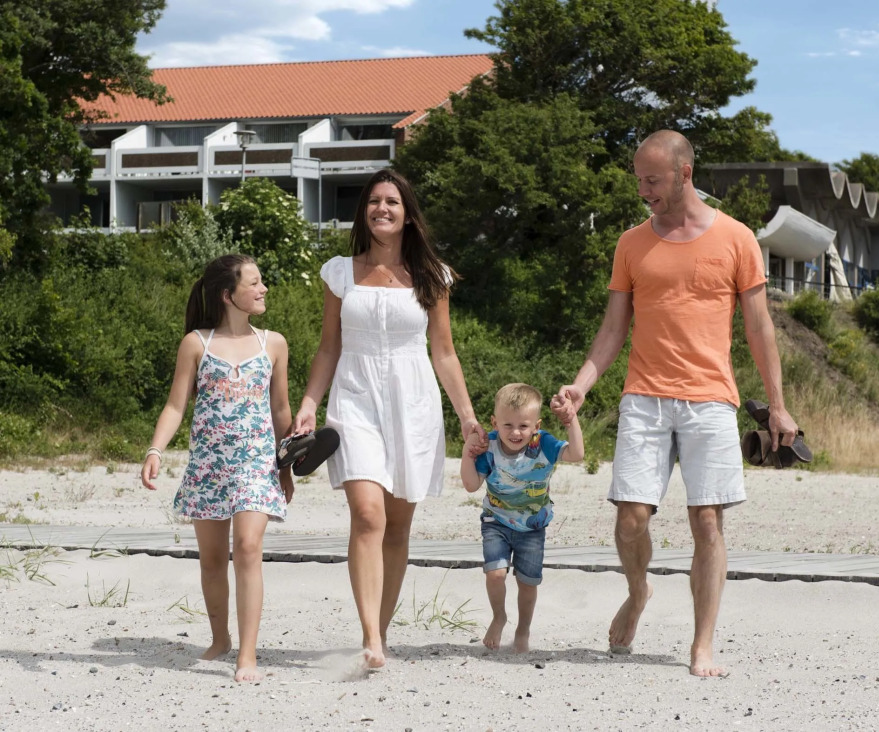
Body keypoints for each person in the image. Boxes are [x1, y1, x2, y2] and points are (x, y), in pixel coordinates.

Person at [553, 130, 799, 677]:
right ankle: (638, 592)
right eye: (639, 179)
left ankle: (701, 645)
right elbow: (613, 327)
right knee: (630, 520)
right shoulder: (631, 243)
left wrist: (778, 404)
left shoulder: (736, 238)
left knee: (707, 521)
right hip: (644, 397)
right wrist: (581, 384)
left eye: (653, 180)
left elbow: (759, 327)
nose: (643, 190)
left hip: (711, 399)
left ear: (684, 173)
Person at [292, 168, 484, 669]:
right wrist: (309, 403)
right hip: (355, 399)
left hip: (413, 403)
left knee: (397, 526)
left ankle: (382, 631)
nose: (382, 208)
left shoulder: (433, 275)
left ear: (408, 215)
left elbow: (444, 352)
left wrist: (466, 417)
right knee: (368, 515)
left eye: (392, 202)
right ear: (364, 212)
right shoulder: (339, 272)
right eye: (374, 201)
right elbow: (328, 347)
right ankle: (370, 637)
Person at [141, 253, 294, 683]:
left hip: (256, 466)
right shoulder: (196, 343)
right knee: (211, 560)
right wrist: (155, 450)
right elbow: (176, 406)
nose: (263, 289)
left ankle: (248, 654)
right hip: (208, 468)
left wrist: (286, 468)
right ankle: (221, 639)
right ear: (228, 294)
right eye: (254, 283)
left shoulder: (274, 344)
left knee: (247, 548)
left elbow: (280, 410)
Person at [460, 384, 584, 653]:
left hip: (533, 527)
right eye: (507, 425)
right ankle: (499, 617)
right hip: (496, 521)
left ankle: (523, 629)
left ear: (536, 426)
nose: (515, 433)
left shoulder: (543, 444)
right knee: (495, 574)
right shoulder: (490, 447)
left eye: (523, 426)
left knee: (528, 583)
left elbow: (577, 454)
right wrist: (468, 449)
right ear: (495, 423)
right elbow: (471, 485)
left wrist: (571, 420)